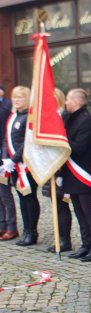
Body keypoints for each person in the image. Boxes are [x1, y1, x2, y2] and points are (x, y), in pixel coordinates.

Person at [62, 88, 91, 262]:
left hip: (82, 174)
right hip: (71, 174)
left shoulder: (86, 121)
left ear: (76, 102)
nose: (65, 103)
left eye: (68, 100)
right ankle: (86, 245)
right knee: (79, 212)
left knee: (89, 214)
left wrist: (61, 138)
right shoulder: (70, 118)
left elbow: (79, 147)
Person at [3, 86, 39, 246]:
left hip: (26, 164)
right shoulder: (13, 117)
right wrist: (6, 159)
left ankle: (32, 231)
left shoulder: (29, 117)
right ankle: (26, 230)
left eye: (20, 97)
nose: (17, 100)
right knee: (21, 198)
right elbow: (6, 139)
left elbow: (27, 142)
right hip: (14, 165)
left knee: (29, 197)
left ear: (27, 99)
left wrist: (14, 158)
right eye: (15, 97)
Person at [43, 88, 73, 253]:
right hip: (51, 166)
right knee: (56, 205)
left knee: (62, 206)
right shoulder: (48, 118)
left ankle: (64, 240)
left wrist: (59, 172)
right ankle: (59, 237)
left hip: (61, 168)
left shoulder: (63, 117)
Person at [0, 84, 18, 241]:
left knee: (5, 193)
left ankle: (11, 226)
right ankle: (1, 224)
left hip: (4, 156)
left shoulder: (6, 106)